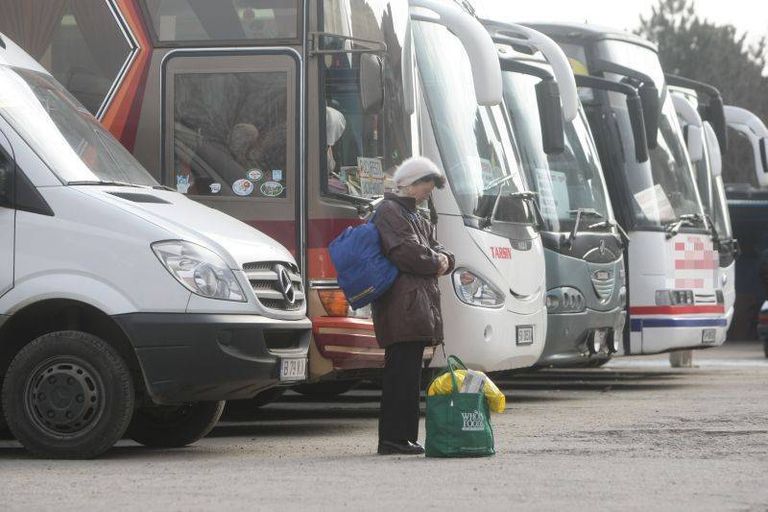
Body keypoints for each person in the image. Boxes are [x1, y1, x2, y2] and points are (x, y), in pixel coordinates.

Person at [372, 156, 455, 455]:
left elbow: (436, 248)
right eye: (426, 188)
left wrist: (443, 259)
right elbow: (408, 253)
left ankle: (404, 437)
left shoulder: (413, 214)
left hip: (415, 305)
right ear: (410, 184)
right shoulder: (390, 211)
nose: (427, 194)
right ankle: (392, 439)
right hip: (402, 306)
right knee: (400, 375)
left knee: (409, 376)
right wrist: (438, 262)